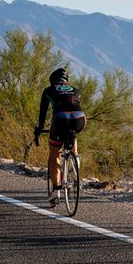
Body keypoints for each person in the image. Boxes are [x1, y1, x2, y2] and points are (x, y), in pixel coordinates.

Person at [34, 68, 86, 206]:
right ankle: (75, 170)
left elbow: (43, 113)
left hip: (60, 119)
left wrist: (39, 129)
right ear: (66, 81)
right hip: (79, 119)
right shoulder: (76, 90)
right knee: (73, 141)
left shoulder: (49, 90)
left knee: (55, 154)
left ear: (52, 80)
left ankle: (56, 191)